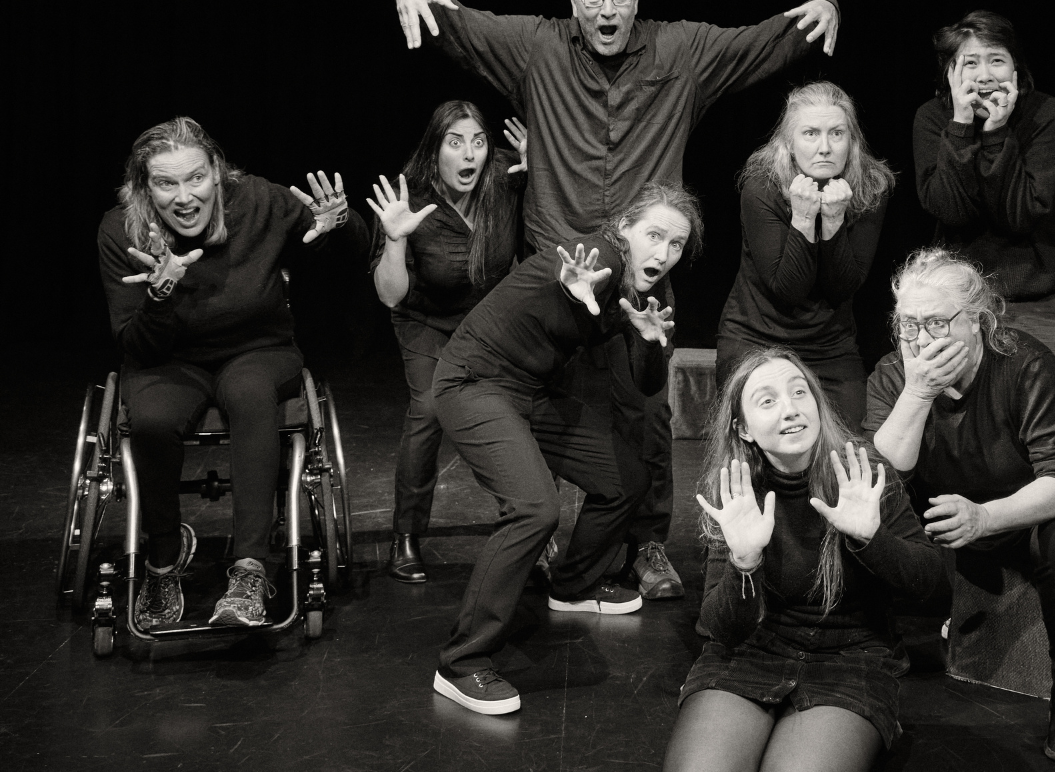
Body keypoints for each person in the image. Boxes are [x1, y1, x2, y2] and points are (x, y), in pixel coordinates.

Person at [393, 0, 840, 600]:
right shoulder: (536, 47)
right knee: (540, 400)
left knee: (644, 410)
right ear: (573, 4)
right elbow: (458, 20)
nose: (607, 9)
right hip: (556, 268)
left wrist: (823, 6)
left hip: (642, 268)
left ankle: (648, 542)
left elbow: (761, 42)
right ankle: (541, 526)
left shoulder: (681, 51)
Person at [428, 181, 702, 716]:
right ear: (624, 228)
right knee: (534, 509)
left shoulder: (653, 292)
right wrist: (578, 293)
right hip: (475, 379)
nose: (663, 254)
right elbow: (577, 277)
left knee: (626, 477)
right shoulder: (595, 258)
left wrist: (648, 341)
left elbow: (647, 384)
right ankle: (460, 664)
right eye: (654, 236)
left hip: (534, 391)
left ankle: (573, 586)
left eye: (676, 245)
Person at [97, 117, 364, 629]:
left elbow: (345, 248)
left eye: (195, 178)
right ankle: (164, 554)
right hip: (167, 359)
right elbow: (134, 344)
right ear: (143, 187)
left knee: (249, 392)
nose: (184, 196)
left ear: (218, 173)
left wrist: (341, 222)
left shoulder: (258, 201)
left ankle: (250, 568)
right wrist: (159, 296)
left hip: (257, 348)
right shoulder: (122, 231)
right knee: (151, 418)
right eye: (165, 183)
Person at [865, 248, 1055, 764]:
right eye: (907, 325)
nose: (920, 340)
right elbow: (887, 471)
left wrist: (986, 517)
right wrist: (918, 393)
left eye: (936, 323)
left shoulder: (1025, 364)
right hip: (964, 504)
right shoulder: (896, 374)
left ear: (979, 323)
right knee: (860, 503)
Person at [661, 348, 944, 772]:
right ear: (744, 428)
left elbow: (933, 586)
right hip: (751, 654)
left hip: (850, 660)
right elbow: (720, 628)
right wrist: (744, 562)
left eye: (799, 392)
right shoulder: (737, 493)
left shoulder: (862, 473)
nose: (790, 409)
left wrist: (871, 539)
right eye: (768, 401)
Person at [911, 11, 1055, 438]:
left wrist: (995, 132)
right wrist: (960, 128)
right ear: (950, 71)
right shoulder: (933, 119)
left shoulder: (1048, 116)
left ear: (1016, 67)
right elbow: (950, 209)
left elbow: (1021, 214)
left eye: (996, 60)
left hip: (1047, 301)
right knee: (968, 428)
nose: (984, 74)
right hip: (964, 307)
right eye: (969, 62)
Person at [367, 100, 527, 583]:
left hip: (488, 321)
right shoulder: (408, 198)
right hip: (426, 321)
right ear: (435, 150)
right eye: (455, 142)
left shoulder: (506, 177)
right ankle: (406, 534)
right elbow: (391, 296)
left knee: (519, 406)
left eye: (478, 141)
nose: (469, 154)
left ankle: (525, 524)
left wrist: (546, 168)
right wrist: (395, 240)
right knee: (432, 407)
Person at [717, 80, 895, 429]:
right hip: (757, 335)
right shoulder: (762, 186)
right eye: (811, 133)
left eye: (837, 133)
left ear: (852, 141)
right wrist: (801, 218)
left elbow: (842, 287)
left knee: (850, 446)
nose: (824, 147)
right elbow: (787, 289)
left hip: (830, 343)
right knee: (752, 444)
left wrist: (832, 221)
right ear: (790, 143)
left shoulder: (871, 187)